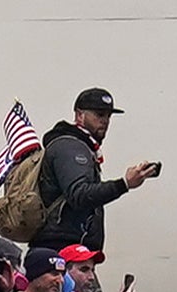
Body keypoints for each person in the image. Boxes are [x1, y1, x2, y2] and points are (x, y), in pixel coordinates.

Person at [32, 88, 163, 262]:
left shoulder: (76, 146)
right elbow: (79, 194)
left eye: (108, 116)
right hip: (64, 251)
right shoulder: (71, 148)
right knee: (85, 290)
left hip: (69, 249)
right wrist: (124, 184)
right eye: (99, 114)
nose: (105, 121)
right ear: (80, 115)